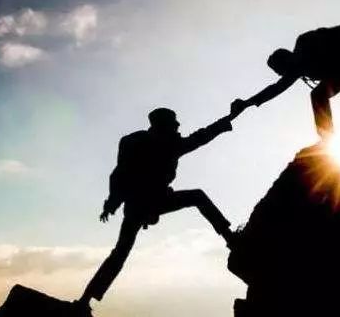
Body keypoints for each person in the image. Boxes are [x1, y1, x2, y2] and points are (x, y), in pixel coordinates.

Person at [77, 107, 237, 307]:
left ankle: (85, 300)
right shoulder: (164, 144)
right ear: (163, 124)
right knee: (197, 196)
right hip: (148, 203)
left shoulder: (137, 142)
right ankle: (229, 237)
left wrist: (112, 204)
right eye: (174, 122)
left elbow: (118, 175)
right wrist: (228, 120)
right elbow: (201, 137)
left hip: (137, 206)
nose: (178, 125)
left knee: (120, 251)